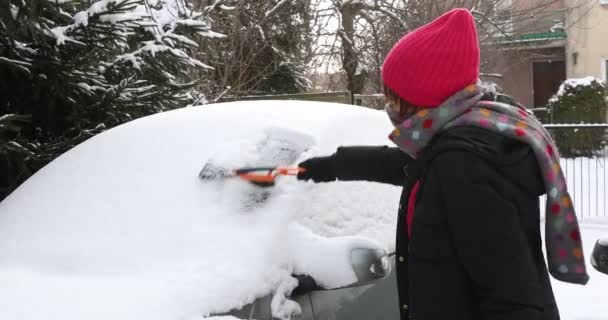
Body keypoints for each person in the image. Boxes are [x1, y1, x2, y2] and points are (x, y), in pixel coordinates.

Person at [297, 8, 588, 320]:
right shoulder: (466, 136)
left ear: (424, 95)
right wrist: (331, 166)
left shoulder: (465, 164)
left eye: (395, 98)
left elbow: (511, 294)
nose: (389, 108)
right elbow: (406, 166)